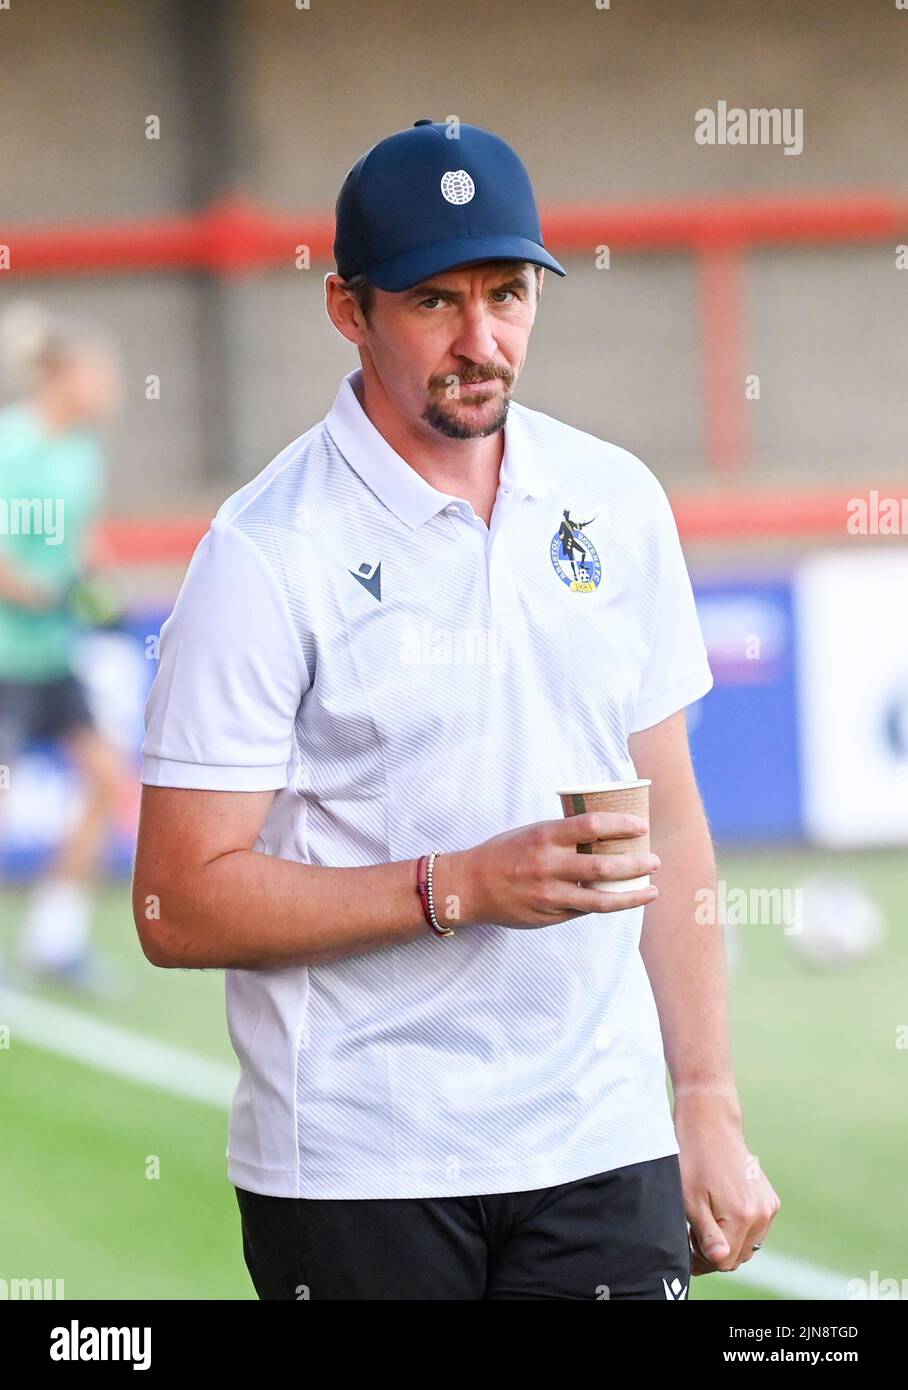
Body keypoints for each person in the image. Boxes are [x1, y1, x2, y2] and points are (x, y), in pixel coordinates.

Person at [133, 119, 780, 1300]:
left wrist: (703, 1099)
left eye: (508, 293)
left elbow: (671, 824)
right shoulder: (263, 555)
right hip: (358, 1168)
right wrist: (461, 886)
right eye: (434, 301)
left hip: (601, 1147)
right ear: (348, 309)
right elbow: (176, 901)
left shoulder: (614, 501)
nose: (480, 339)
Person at [0, 300, 125, 988]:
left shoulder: (83, 454)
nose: (110, 386)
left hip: (53, 659)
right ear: (64, 375)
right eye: (100, 373)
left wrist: (97, 585)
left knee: (107, 780)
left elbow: (79, 544)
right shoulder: (11, 444)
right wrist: (49, 591)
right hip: (3, 658)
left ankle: (55, 939)